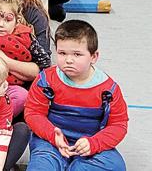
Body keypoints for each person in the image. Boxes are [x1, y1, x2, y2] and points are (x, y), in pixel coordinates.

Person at [24, 20, 128, 171]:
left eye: (77, 54)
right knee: (42, 164)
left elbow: (119, 125)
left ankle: (76, 166)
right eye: (62, 53)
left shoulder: (108, 89)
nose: (68, 60)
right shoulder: (46, 80)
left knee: (115, 166)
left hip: (91, 145)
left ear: (94, 57)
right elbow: (33, 113)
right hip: (51, 143)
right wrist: (52, 135)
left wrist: (94, 144)